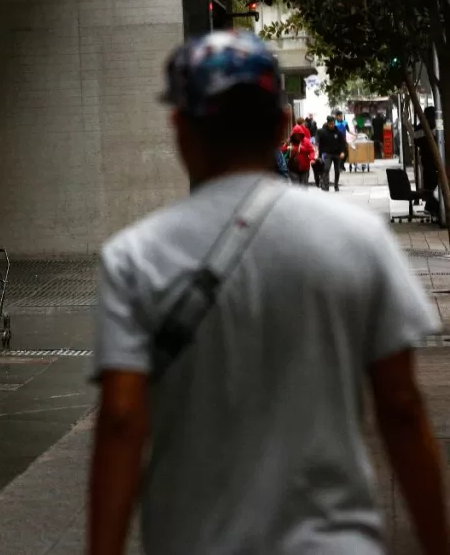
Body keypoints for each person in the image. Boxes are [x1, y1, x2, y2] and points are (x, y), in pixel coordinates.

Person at [89, 31, 448, 555]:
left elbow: (121, 419)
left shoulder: (135, 257)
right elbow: (401, 405)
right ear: (282, 127)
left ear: (180, 129)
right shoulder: (358, 237)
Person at [316, 115, 348, 191]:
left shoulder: (338, 132)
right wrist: (319, 156)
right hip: (328, 154)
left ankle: (336, 185)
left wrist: (343, 152)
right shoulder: (323, 133)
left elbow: (343, 143)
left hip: (337, 154)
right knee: (326, 169)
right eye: (330, 124)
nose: (331, 125)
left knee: (337, 171)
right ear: (327, 123)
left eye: (333, 124)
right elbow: (321, 145)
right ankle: (326, 186)